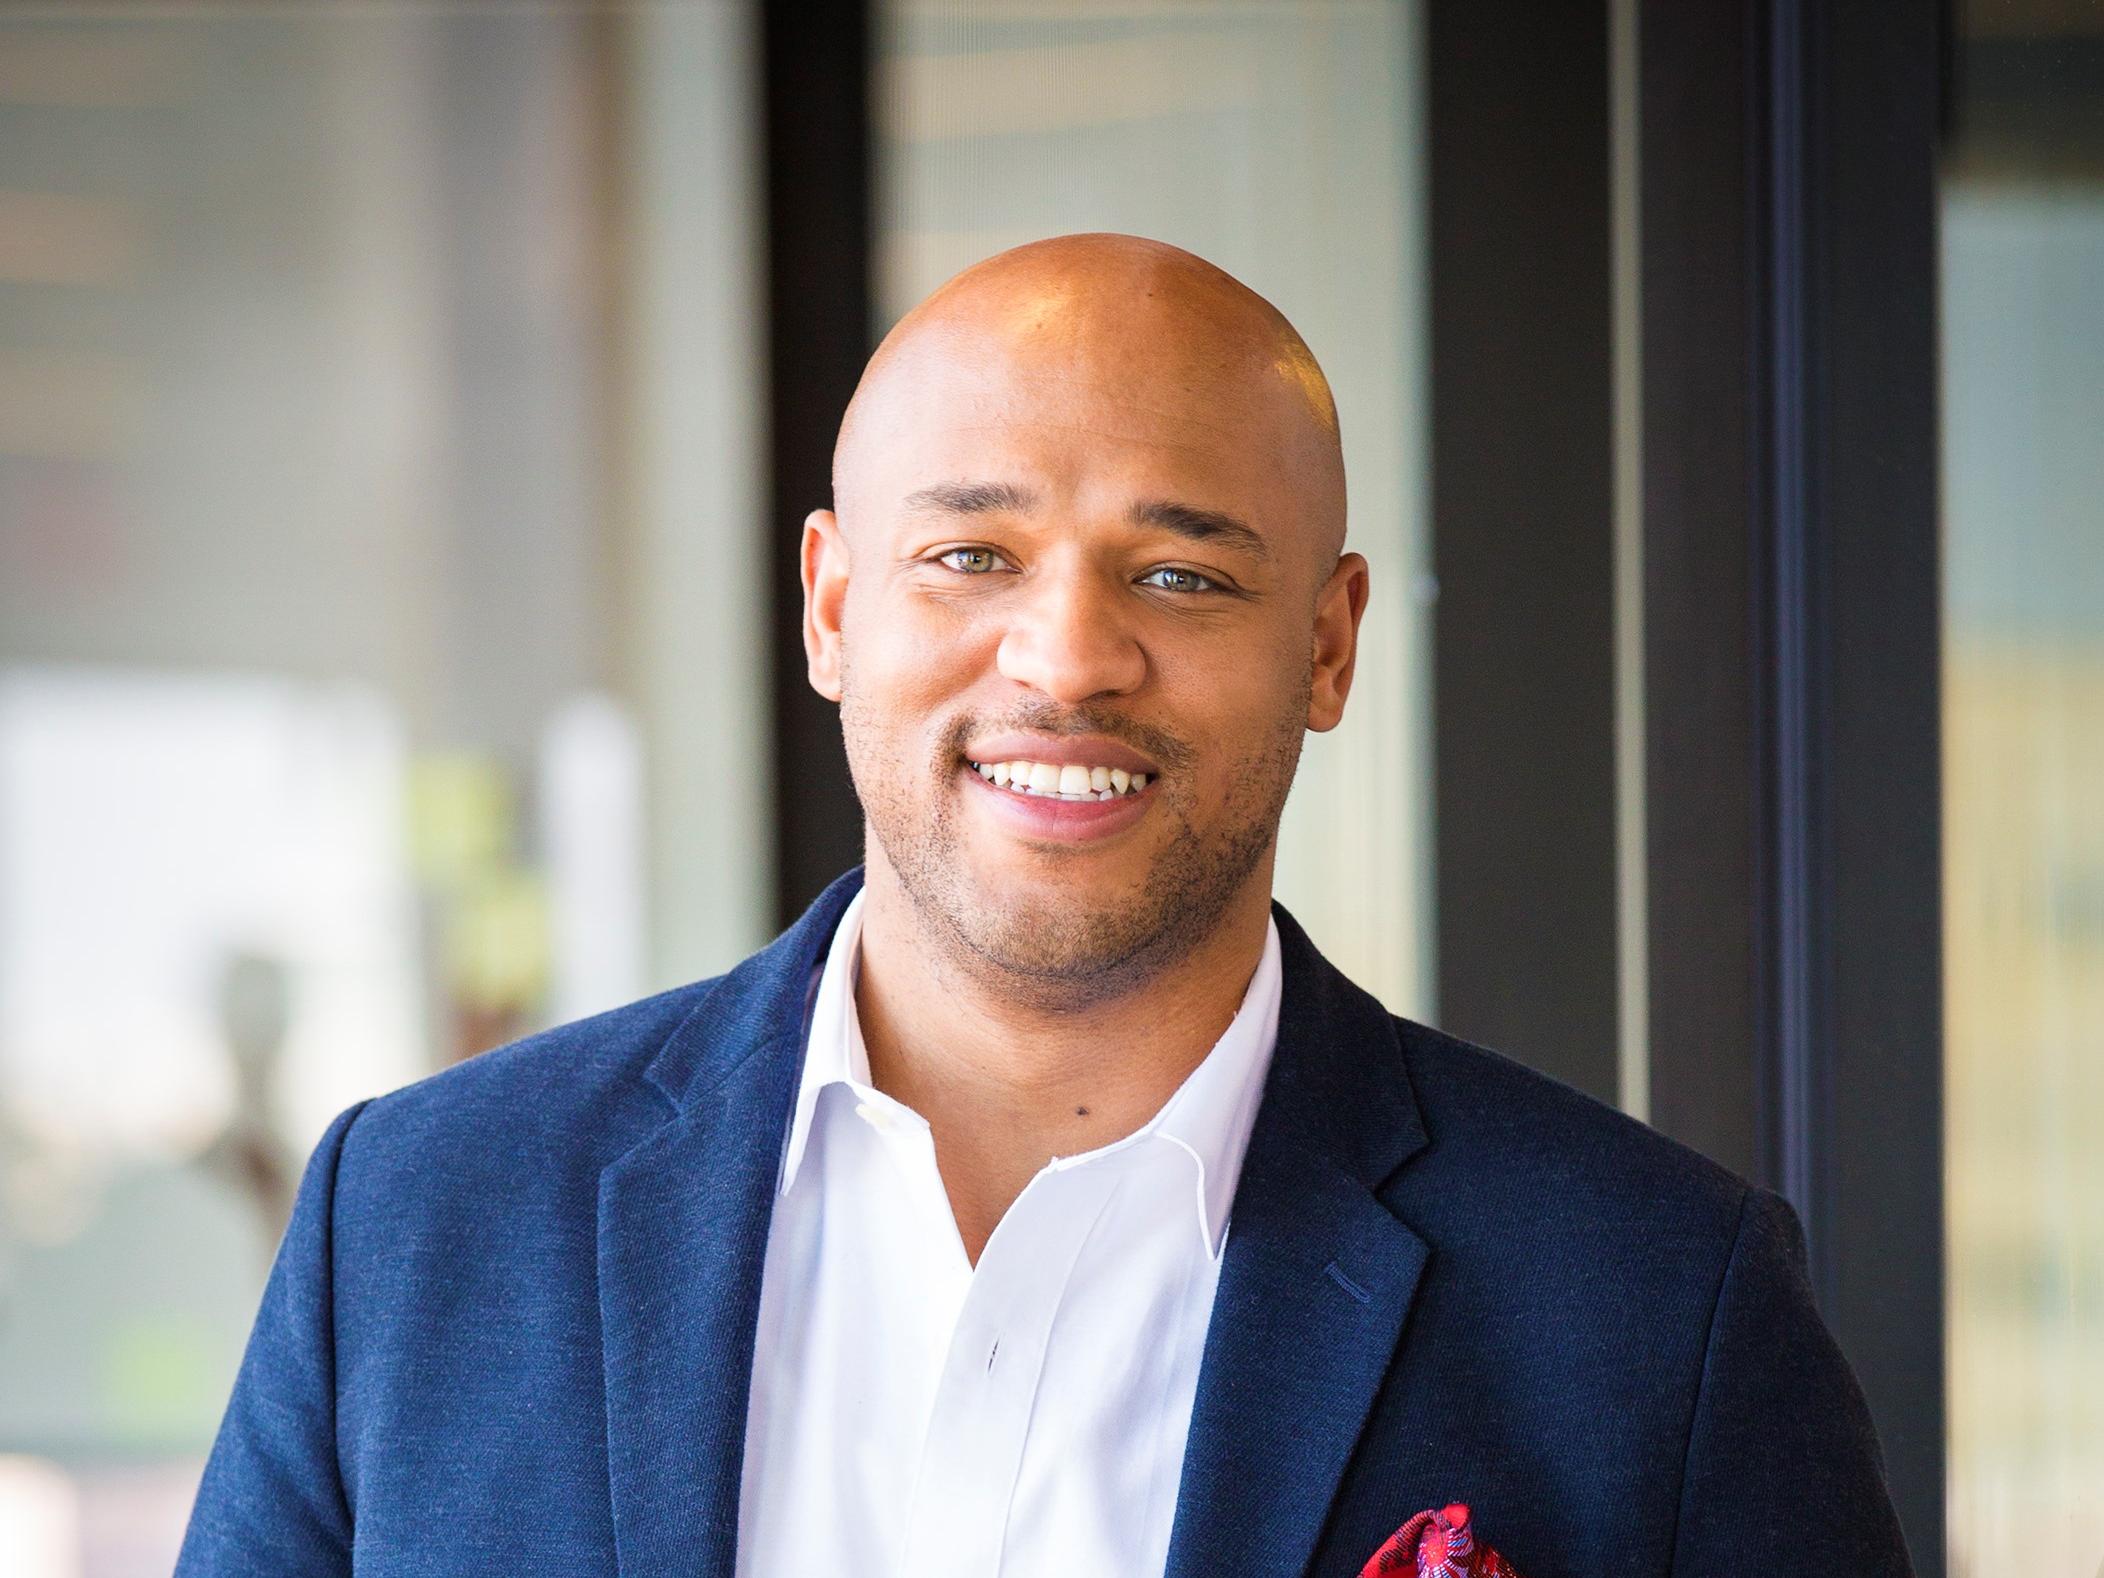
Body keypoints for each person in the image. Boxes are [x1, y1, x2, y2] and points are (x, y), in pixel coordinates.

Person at [176, 234, 1915, 1577]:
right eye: (971, 555)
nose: (1070, 656)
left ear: (1326, 645)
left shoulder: (1656, 1311)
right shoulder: (417, 1229)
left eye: (1183, 572)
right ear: (832, 604)